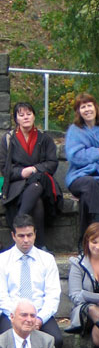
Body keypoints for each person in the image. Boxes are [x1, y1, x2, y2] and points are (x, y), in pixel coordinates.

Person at [0, 101, 61, 249]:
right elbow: (3, 168)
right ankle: (40, 246)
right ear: (16, 119)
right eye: (21, 115)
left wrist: (33, 169)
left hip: (43, 183)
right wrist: (21, 172)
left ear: (34, 117)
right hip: (17, 185)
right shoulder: (8, 139)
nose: (25, 117)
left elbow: (52, 163)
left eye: (29, 114)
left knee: (38, 180)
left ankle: (18, 223)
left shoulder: (44, 139)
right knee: (37, 200)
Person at [64, 93, 99, 249]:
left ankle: (85, 242)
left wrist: (87, 154)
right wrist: (98, 151)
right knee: (90, 184)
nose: (87, 109)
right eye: (83, 107)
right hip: (79, 177)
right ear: (78, 111)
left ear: (96, 107)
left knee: (90, 190)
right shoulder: (74, 131)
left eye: (89, 105)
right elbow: (74, 157)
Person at [0, 215, 63, 348]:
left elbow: (53, 295)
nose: (26, 240)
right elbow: (2, 297)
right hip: (12, 314)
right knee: (7, 342)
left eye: (29, 235)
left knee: (56, 340)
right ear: (13, 235)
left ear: (35, 234)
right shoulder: (3, 260)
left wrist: (39, 319)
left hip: (39, 311)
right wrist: (19, 317)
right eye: (21, 236)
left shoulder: (47, 259)